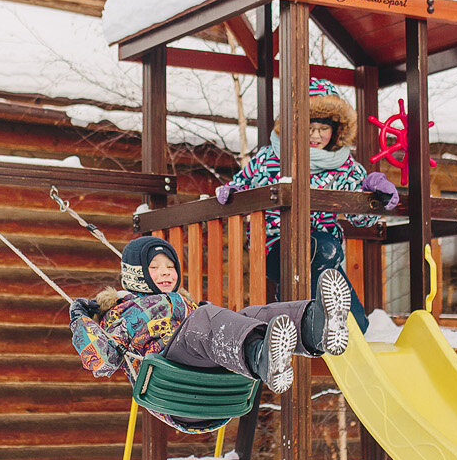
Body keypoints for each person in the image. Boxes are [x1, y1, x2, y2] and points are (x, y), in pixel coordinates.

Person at [69, 237, 351, 426]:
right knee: (206, 318)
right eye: (154, 268)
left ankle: (316, 327)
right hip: (173, 390)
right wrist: (82, 319)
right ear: (136, 274)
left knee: (248, 316)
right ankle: (263, 359)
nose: (166, 272)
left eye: (170, 267)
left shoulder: (187, 303)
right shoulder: (122, 312)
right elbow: (103, 361)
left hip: (213, 386)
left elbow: (215, 325)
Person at [213, 79, 398, 332]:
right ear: (295, 126)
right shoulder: (271, 157)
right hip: (276, 245)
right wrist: (232, 193)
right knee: (319, 250)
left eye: (323, 128)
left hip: (325, 250)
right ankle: (314, 323)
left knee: (356, 321)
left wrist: (372, 194)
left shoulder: (343, 165)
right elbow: (242, 185)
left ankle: (339, 324)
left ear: (337, 130)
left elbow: (359, 217)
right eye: (309, 127)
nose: (315, 135)